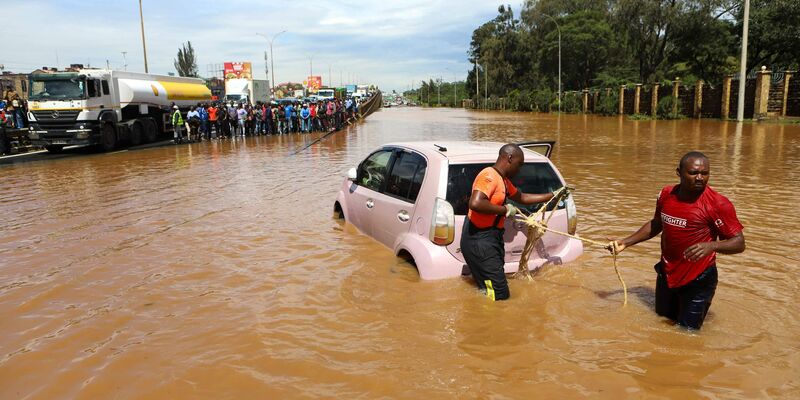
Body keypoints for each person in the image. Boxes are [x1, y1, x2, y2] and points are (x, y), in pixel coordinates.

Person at [609, 151, 745, 330]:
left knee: (687, 333)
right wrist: (626, 242)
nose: (699, 178)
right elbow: (657, 223)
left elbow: (739, 242)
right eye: (693, 173)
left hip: (698, 278)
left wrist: (712, 245)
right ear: (679, 173)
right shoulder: (666, 194)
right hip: (667, 273)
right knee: (661, 323)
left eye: (705, 174)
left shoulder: (718, 204)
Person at [462, 144, 561, 301]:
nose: (519, 169)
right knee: (500, 294)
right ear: (509, 158)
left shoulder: (504, 181)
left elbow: (522, 198)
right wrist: (505, 210)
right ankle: (491, 322)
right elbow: (475, 203)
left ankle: (482, 314)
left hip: (490, 238)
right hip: (479, 240)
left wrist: (553, 195)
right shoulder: (489, 176)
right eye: (519, 164)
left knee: (489, 287)